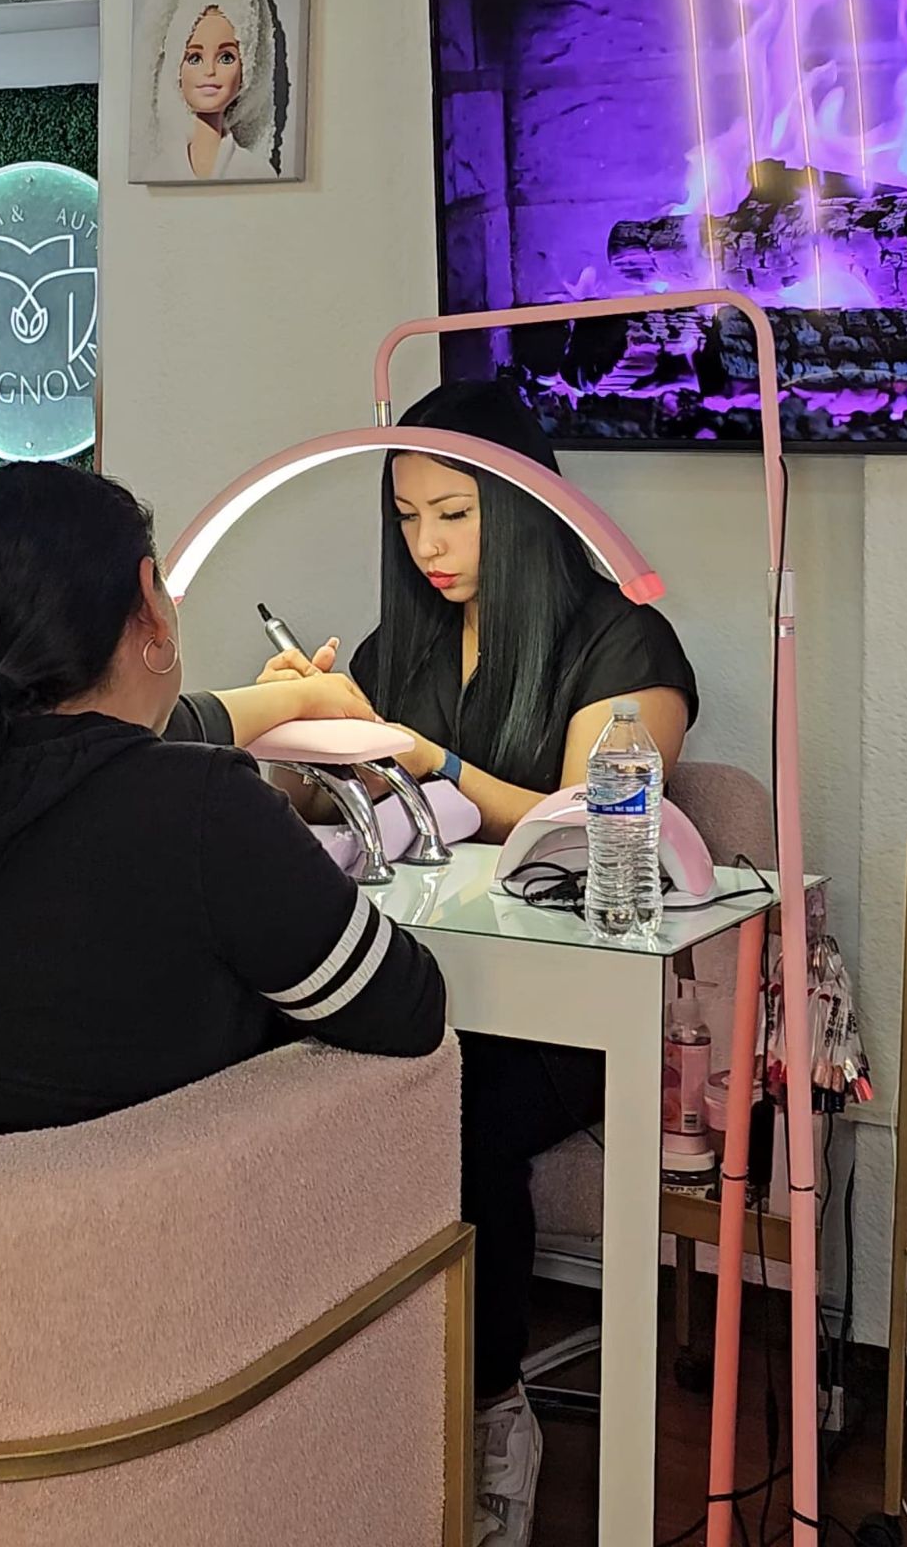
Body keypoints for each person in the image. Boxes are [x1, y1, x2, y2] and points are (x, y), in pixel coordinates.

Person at [265, 378, 698, 1547]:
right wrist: (304, 746)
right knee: (287, 1072)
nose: (430, 546)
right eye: (408, 518)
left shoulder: (623, 641)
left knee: (451, 1108)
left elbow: (586, 820)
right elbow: (357, 812)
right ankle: (344, 1400)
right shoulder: (399, 644)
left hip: (578, 1014)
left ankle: (489, 1409)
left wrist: (431, 757)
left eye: (455, 514)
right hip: (424, 982)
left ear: (523, 506)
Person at [0, 462, 445, 1136]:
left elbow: (112, 737)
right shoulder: (204, 806)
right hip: (163, 1193)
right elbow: (407, 1009)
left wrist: (295, 697)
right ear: (150, 601)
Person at [144, 0, 281, 182]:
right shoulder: (157, 173)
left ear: (247, 66)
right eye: (195, 58)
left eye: (226, 58)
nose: (209, 70)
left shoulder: (257, 173)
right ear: (177, 68)